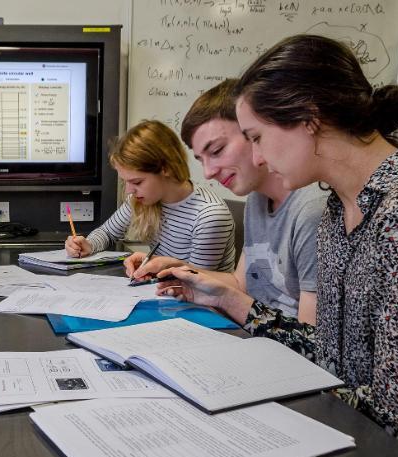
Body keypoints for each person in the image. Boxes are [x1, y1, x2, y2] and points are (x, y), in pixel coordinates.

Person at [157, 35, 398, 438]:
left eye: (256, 137)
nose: (256, 158)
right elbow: (328, 356)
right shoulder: (340, 208)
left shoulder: (393, 214)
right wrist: (226, 298)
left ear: (309, 116)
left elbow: (391, 417)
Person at [124, 79, 328, 325]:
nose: (208, 172)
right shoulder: (256, 199)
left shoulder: (311, 210)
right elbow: (240, 283)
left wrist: (224, 299)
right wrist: (181, 271)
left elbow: (311, 340)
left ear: (254, 134)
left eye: (217, 150)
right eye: (201, 159)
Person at [65, 119, 236, 272]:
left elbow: (197, 281)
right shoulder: (142, 200)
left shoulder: (209, 216)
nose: (129, 191)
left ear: (165, 169)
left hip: (199, 303)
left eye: (137, 182)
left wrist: (156, 268)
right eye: (126, 182)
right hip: (166, 291)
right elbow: (108, 233)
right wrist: (88, 244)